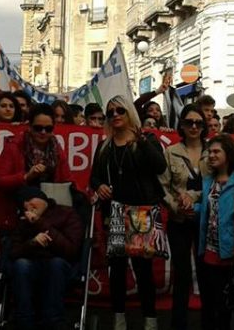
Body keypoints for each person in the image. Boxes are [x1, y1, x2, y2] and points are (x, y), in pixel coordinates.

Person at [89, 95, 167, 330]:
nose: (115, 116)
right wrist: (99, 186)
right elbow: (95, 176)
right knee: (117, 271)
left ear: (130, 113)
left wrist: (141, 138)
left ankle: (150, 319)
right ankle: (119, 318)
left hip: (141, 212)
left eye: (120, 111)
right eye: (110, 113)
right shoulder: (105, 146)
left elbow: (159, 166)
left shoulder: (146, 139)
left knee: (143, 271)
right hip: (115, 212)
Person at [9, 187, 84, 330]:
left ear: (43, 199)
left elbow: (71, 250)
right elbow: (13, 252)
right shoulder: (23, 220)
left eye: (31, 202)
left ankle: (53, 321)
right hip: (32, 262)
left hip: (60, 263)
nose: (29, 207)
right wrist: (32, 243)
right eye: (25, 205)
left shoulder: (67, 214)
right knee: (20, 265)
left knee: (56, 264)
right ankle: (24, 322)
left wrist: (39, 222)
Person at [159, 104, 207, 330]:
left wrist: (192, 197)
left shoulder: (213, 150)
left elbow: (218, 183)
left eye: (198, 122)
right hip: (179, 221)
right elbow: (162, 186)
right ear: (182, 125)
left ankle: (210, 321)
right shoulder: (171, 152)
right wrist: (176, 206)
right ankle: (179, 324)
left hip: (206, 222)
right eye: (189, 122)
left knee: (206, 272)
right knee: (182, 274)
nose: (194, 127)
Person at [0, 104, 72, 231]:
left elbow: (66, 179)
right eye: (38, 128)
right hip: (16, 218)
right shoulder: (15, 146)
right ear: (29, 127)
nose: (43, 132)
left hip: (48, 219)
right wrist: (26, 177)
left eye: (48, 129)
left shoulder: (56, 149)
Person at [195, 134, 234, 330]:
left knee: (229, 304)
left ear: (229, 154)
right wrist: (191, 208)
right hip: (208, 252)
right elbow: (207, 210)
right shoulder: (207, 181)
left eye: (216, 152)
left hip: (231, 252)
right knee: (210, 303)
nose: (211, 156)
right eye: (209, 152)